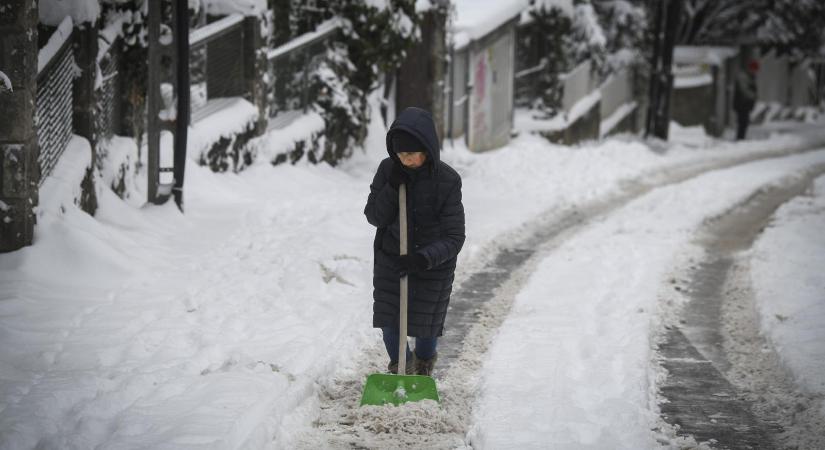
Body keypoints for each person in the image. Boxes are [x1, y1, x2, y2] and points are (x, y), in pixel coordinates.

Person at [363, 107, 465, 376]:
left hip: (431, 267)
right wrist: (391, 187)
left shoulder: (447, 181)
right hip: (392, 261)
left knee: (425, 326)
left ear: (427, 150)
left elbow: (455, 237)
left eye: (411, 154)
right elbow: (374, 216)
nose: (404, 160)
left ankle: (423, 367)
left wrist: (423, 258)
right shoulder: (389, 171)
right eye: (400, 154)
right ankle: (403, 368)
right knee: (390, 323)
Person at [733, 59, 759, 140]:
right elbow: (744, 90)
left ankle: (741, 138)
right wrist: (753, 96)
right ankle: (740, 138)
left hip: (745, 104)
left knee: (744, 122)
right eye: (754, 69)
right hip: (742, 104)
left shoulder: (749, 76)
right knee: (743, 122)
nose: (755, 71)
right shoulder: (744, 76)